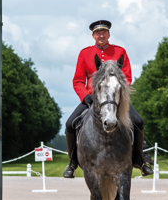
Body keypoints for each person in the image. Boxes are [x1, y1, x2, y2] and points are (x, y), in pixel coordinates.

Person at [63, 19, 154, 178]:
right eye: (97, 33)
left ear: (108, 34)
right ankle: (72, 162)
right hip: (92, 98)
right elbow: (77, 80)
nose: (101, 35)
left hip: (115, 99)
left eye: (104, 32)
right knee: (70, 124)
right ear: (93, 36)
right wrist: (85, 96)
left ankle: (139, 159)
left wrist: (117, 93)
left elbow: (127, 78)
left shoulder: (120, 52)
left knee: (138, 121)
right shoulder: (85, 53)